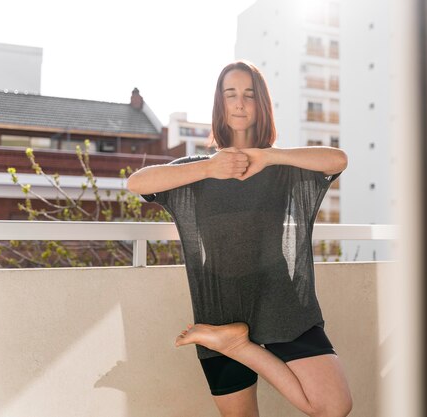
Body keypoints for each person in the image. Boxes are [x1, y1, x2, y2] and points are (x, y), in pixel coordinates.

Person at [126, 60, 352, 417]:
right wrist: (209, 167)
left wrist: (267, 157)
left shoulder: (280, 166)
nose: (240, 103)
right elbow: (136, 183)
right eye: (231, 94)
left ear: (261, 103)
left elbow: (337, 159)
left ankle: (238, 345)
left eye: (249, 94)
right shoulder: (196, 167)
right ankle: (232, 342)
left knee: (333, 406)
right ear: (220, 103)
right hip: (219, 304)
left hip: (282, 303)